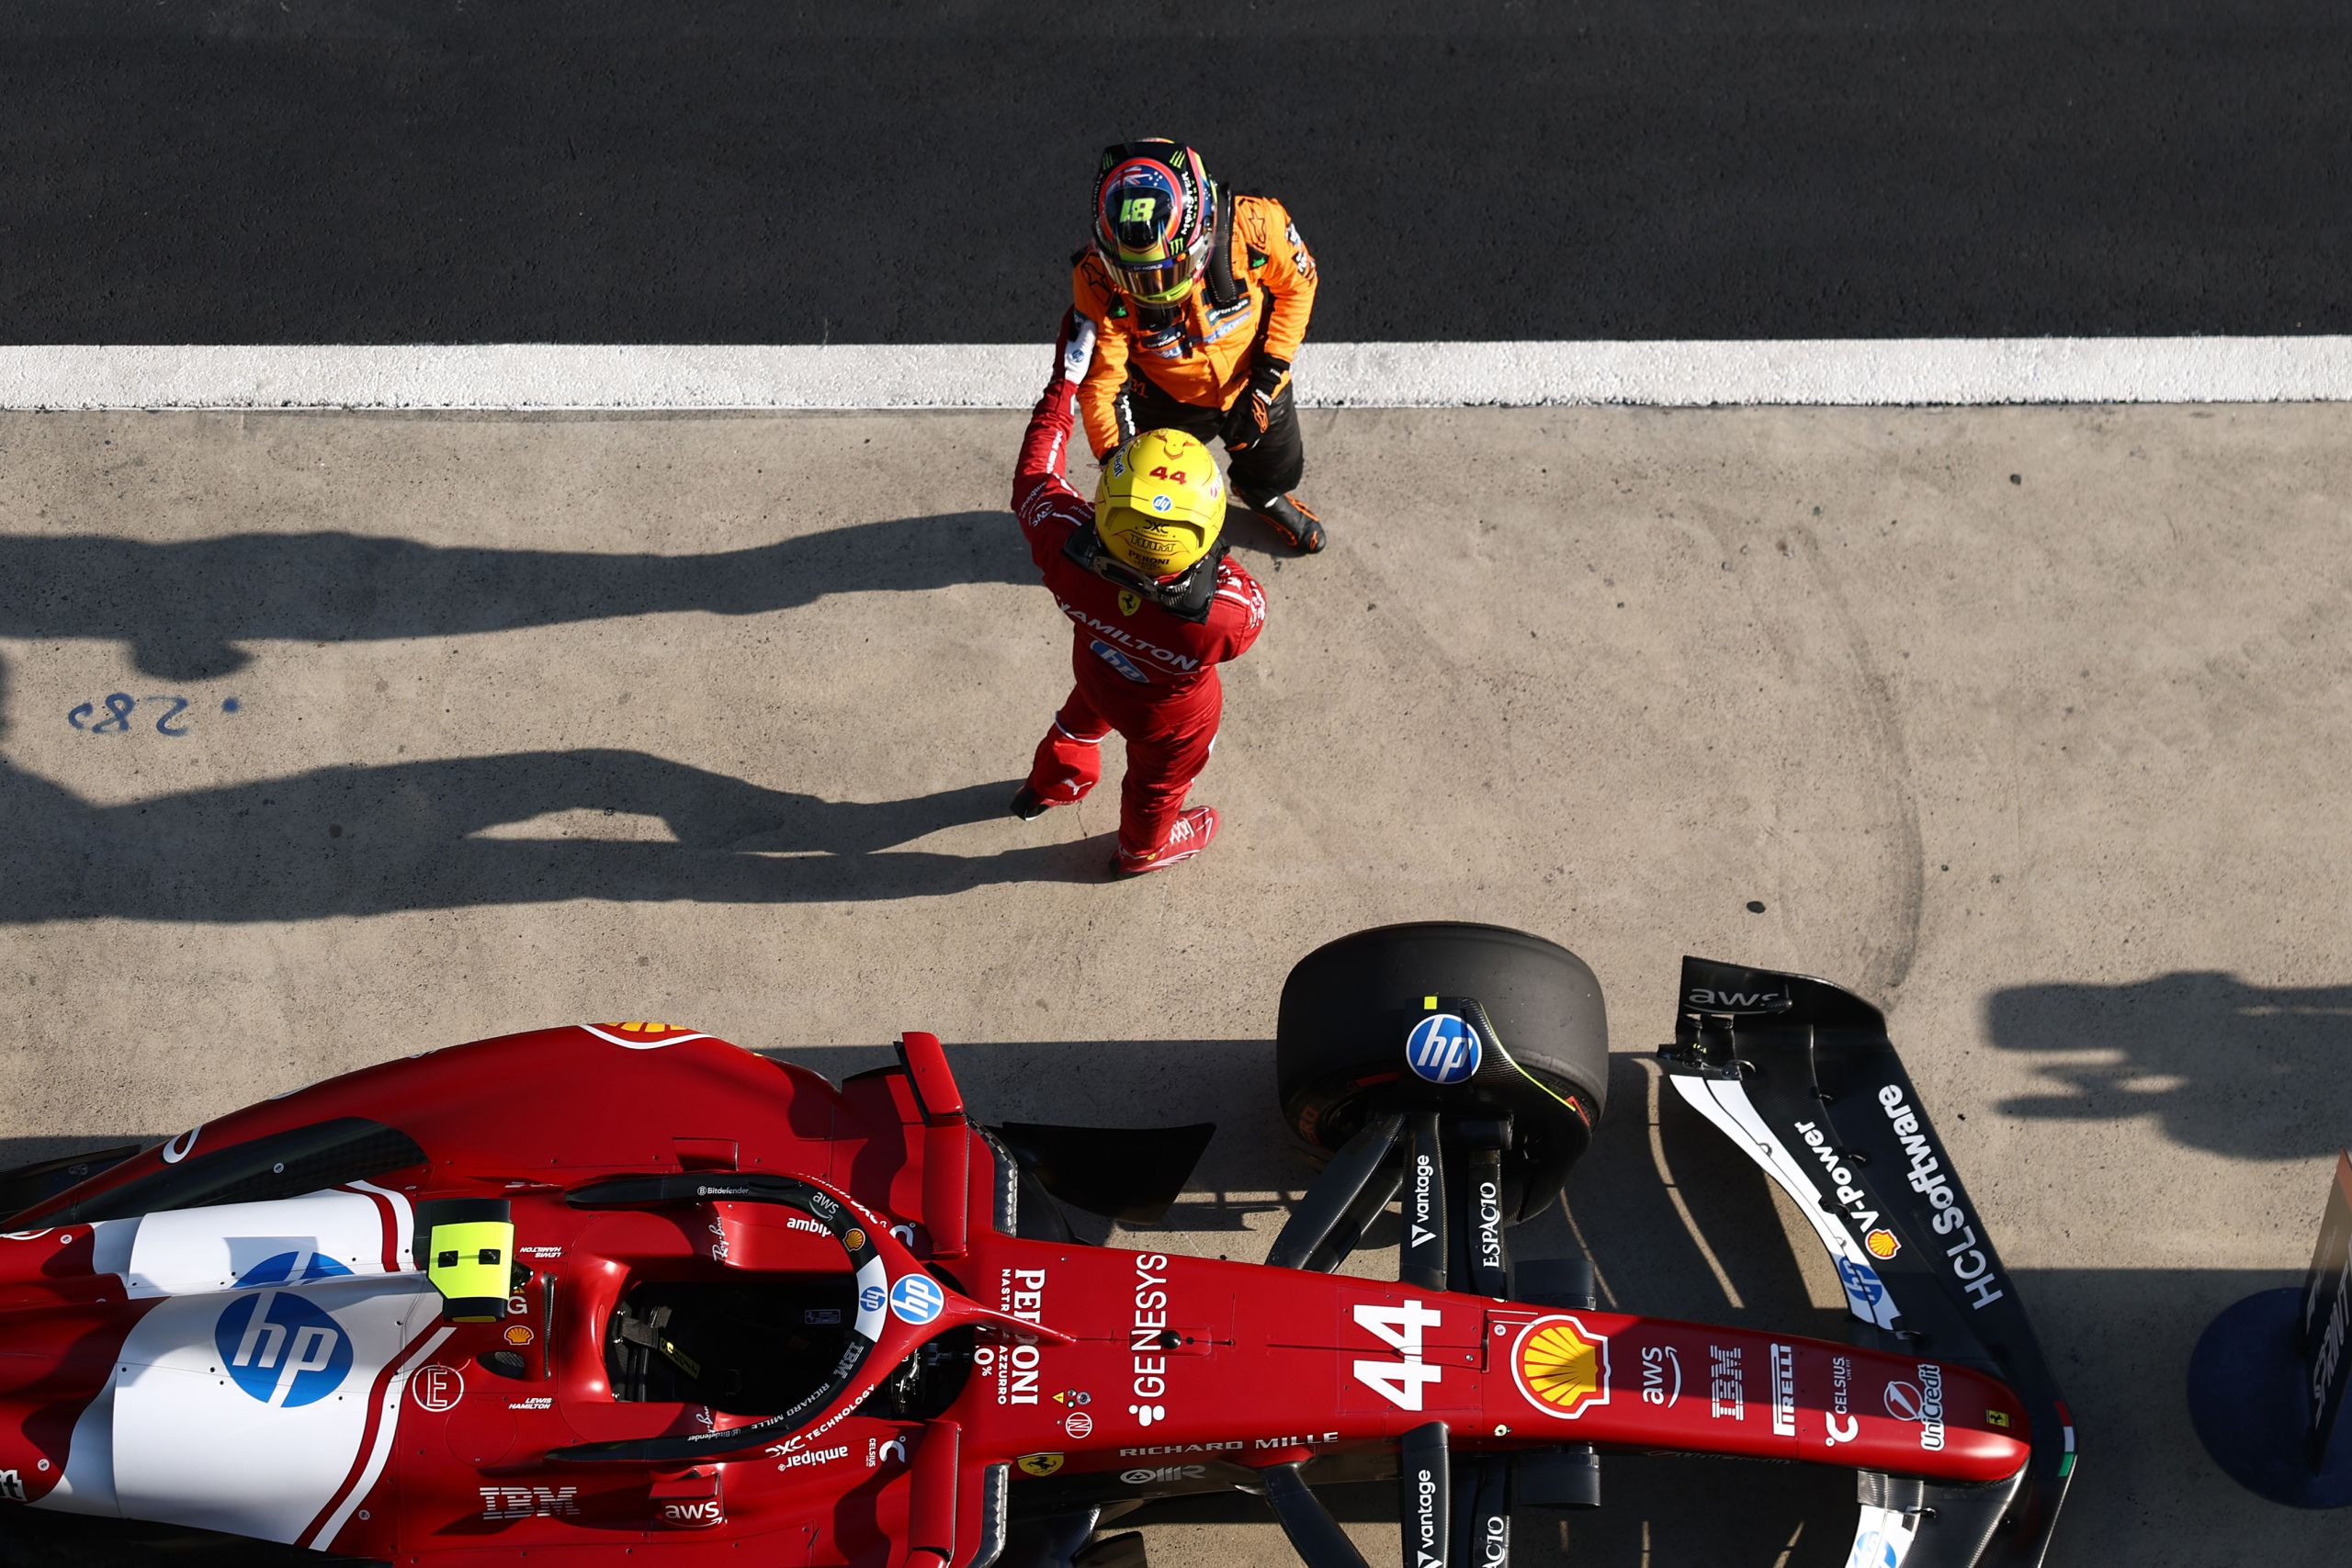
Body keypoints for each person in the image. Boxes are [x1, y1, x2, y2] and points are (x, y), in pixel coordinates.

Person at [1007, 310, 1267, 877]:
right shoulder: (1224, 618)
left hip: (1097, 672)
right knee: (1157, 787)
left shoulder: (1060, 542)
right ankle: (1142, 851)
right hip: (1171, 722)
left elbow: (1034, 474)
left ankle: (1052, 783)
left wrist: (1066, 378)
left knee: (1084, 714)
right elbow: (1250, 601)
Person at [1071, 140, 1329, 555]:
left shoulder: (1256, 223)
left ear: (1204, 230)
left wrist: (1267, 379)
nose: (1154, 288)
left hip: (1255, 381)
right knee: (1154, 502)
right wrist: (1117, 465)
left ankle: (1259, 493)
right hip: (1165, 399)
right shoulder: (1095, 276)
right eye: (1136, 276)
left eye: (1166, 271)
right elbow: (1101, 382)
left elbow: (1300, 285)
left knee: (1283, 468)